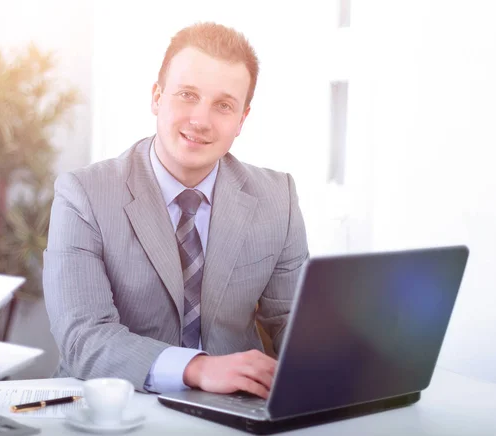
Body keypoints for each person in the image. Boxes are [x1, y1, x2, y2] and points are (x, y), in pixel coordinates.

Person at [43, 22, 309, 400]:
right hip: (113, 407)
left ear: (242, 120)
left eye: (223, 105)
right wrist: (197, 367)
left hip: (232, 409)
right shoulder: (83, 194)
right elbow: (83, 337)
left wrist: (340, 363)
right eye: (187, 95)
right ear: (156, 97)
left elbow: (291, 324)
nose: (200, 120)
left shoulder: (277, 198)